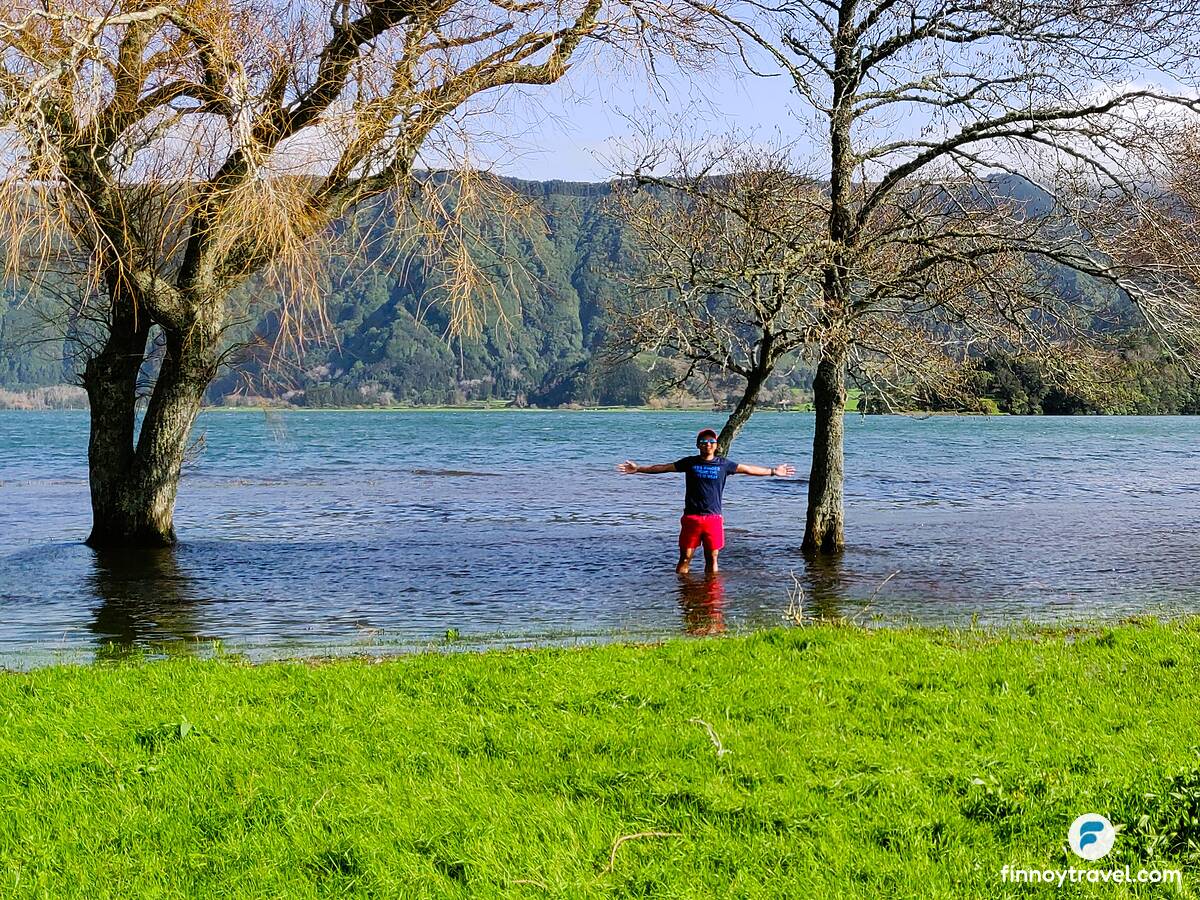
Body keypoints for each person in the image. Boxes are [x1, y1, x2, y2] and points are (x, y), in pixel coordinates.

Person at [617, 428, 795, 574]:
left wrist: (773, 471)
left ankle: (711, 597)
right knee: (685, 557)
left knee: (712, 558)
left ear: (716, 445)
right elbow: (664, 468)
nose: (707, 444)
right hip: (691, 518)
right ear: (698, 445)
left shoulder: (724, 464)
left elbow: (748, 469)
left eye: (711, 441)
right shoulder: (690, 462)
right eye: (703, 442)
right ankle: (683, 594)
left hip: (713, 519)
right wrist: (639, 468)